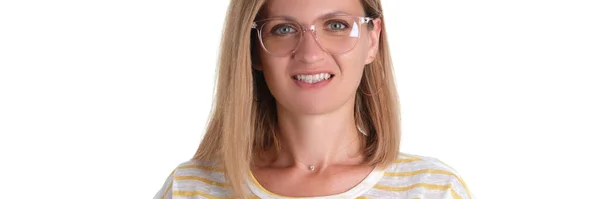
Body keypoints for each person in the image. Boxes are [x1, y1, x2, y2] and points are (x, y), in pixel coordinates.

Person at [154, 0, 473, 198]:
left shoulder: (432, 190)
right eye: (283, 29)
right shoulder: (191, 189)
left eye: (336, 25)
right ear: (253, 48)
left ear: (373, 39)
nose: (309, 54)